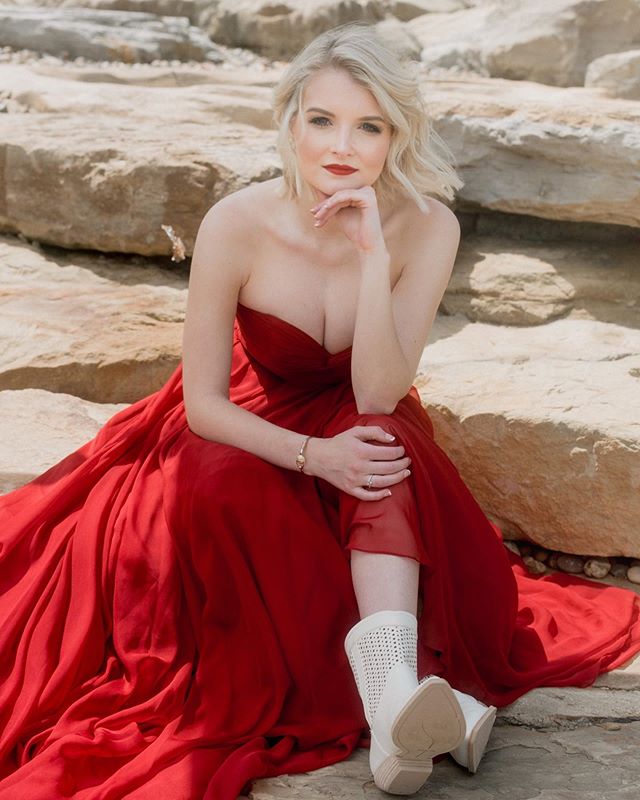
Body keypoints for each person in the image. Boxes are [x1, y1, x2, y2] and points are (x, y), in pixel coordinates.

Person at [0, 21, 639, 800]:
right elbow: (202, 405)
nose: (343, 146)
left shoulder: (429, 225)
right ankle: (409, 706)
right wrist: (314, 457)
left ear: (395, 135)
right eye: (323, 120)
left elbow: (376, 390)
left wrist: (373, 256)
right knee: (230, 490)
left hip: (356, 407)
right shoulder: (235, 223)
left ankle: (393, 702)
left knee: (381, 444)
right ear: (290, 120)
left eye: (369, 126)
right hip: (247, 414)